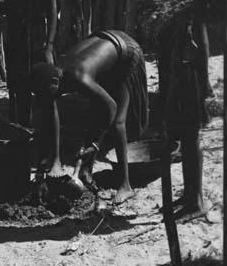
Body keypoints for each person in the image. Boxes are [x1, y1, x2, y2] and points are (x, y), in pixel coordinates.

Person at [30, 30, 148, 205]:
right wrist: (45, 168)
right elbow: (49, 120)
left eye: (46, 94)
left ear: (55, 82)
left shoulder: (78, 77)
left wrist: (95, 144)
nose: (46, 99)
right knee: (96, 112)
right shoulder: (53, 77)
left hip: (127, 53)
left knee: (117, 122)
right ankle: (85, 172)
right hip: (107, 45)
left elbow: (111, 106)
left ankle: (125, 186)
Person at [157, 14, 209, 222]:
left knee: (191, 136)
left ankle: (196, 202)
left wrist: (203, 88)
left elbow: (201, 48)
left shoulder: (193, 11)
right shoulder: (175, 14)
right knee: (185, 137)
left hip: (190, 78)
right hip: (178, 76)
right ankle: (189, 195)